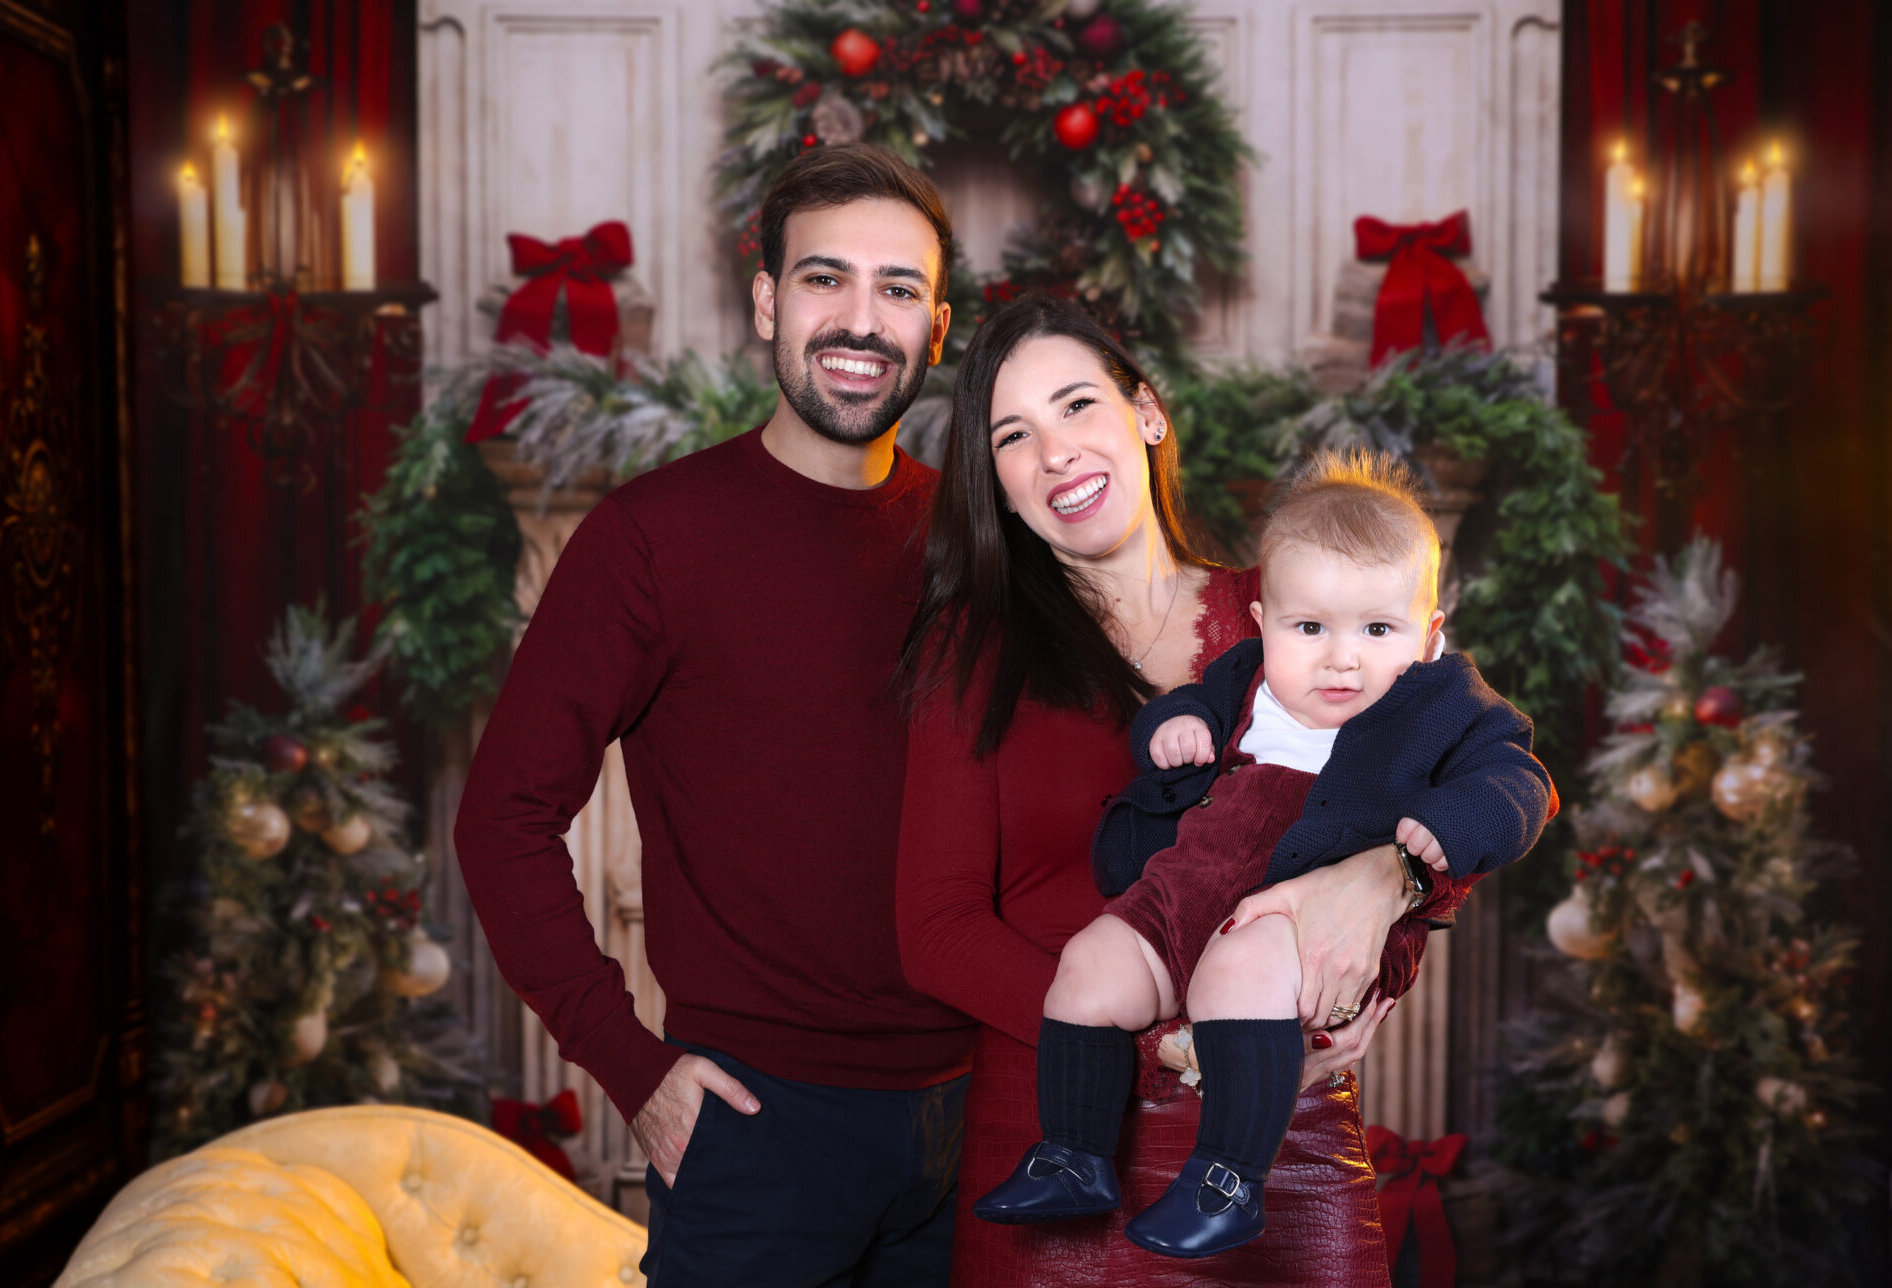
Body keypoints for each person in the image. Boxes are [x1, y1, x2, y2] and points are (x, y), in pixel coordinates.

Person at [455, 143, 976, 1286]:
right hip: (759, 1126)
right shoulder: (653, 538)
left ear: (936, 330)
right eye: (824, 278)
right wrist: (629, 1064)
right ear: (766, 303)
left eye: (898, 290)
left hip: (981, 1119)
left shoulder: (979, 540)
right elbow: (501, 818)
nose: (860, 318)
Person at [894, 292, 1487, 1285]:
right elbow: (937, 932)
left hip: (1275, 1138)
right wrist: (1165, 1040)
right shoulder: (972, 654)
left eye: (1078, 405)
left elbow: (1460, 778)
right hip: (1057, 1134)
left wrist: (1392, 890)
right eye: (1014, 435)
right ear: (996, 481)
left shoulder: (1296, 611)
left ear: (1148, 413)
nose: (1056, 452)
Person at [972, 450, 1555, 1258]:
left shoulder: (1441, 706)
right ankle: (1075, 1153)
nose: (1340, 658)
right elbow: (1180, 713)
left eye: (1377, 630)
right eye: (1308, 627)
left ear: (1429, 636)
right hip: (1183, 894)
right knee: (1091, 963)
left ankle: (1227, 1182)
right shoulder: (1247, 677)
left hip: (1300, 928)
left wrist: (1451, 826)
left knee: (1236, 973)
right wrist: (1175, 729)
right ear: (1262, 624)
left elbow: (1522, 784)